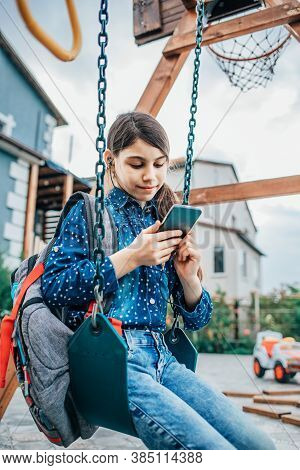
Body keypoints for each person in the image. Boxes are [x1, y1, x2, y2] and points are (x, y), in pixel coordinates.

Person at [41, 111, 276, 450]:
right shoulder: (90, 213)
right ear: (111, 159)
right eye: (137, 164)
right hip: (113, 359)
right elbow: (55, 287)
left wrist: (189, 281)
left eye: (159, 164)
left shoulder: (161, 218)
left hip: (163, 357)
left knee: (260, 447)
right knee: (215, 452)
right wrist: (130, 257)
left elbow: (198, 319)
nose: (150, 176)